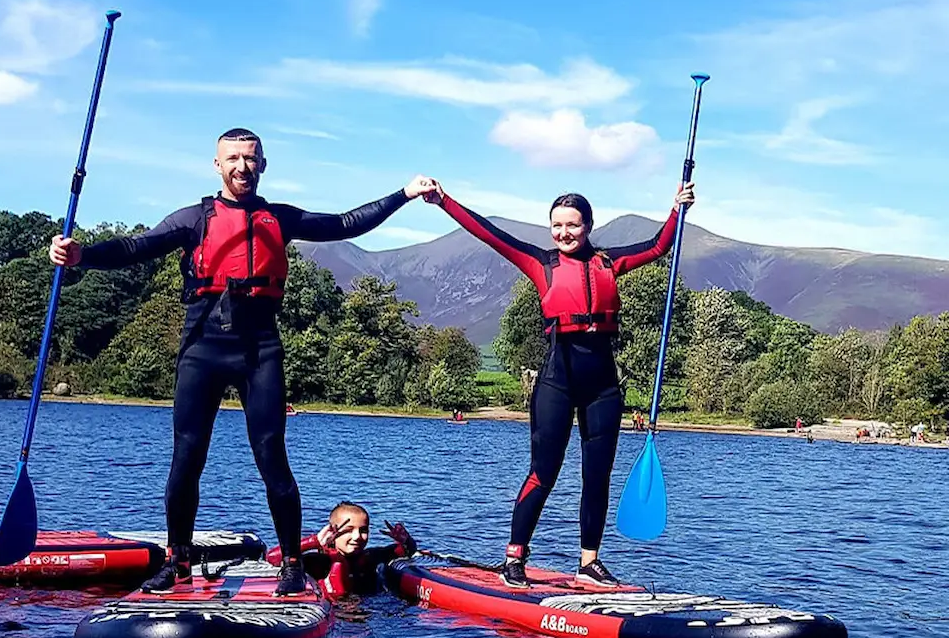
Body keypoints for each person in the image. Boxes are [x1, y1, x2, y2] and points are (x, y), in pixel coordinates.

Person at [49, 128, 437, 595]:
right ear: (217, 165)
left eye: (250, 159)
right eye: (232, 158)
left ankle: (292, 563)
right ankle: (179, 562)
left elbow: (346, 224)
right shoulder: (193, 219)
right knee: (186, 460)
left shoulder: (280, 217)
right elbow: (135, 247)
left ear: (263, 165)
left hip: (260, 350)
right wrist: (82, 255)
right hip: (202, 349)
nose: (242, 167)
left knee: (273, 458)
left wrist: (404, 194)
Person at [424, 180, 695, 588]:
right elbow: (486, 232)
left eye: (573, 225)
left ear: (588, 225)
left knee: (597, 475)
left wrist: (677, 208)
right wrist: (443, 201)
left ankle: (588, 563)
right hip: (556, 382)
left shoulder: (609, 263)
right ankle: (515, 557)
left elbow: (658, 247)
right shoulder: (540, 263)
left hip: (603, 386)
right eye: (557, 226)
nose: (564, 233)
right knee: (543, 473)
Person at [265, 501, 417, 597]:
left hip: (369, 612)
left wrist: (406, 541)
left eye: (363, 530)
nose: (357, 536)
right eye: (348, 530)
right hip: (335, 616)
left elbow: (406, 551)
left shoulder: (370, 557)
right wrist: (314, 541)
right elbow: (272, 558)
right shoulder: (320, 561)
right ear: (332, 531)